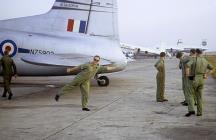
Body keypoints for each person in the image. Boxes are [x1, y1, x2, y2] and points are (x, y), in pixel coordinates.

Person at [185, 49, 214, 117]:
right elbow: (212, 68)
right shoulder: (205, 60)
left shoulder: (194, 59)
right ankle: (199, 112)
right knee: (200, 97)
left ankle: (191, 110)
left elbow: (187, 66)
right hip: (201, 79)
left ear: (197, 53)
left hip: (194, 78)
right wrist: (206, 75)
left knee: (190, 94)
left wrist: (187, 75)